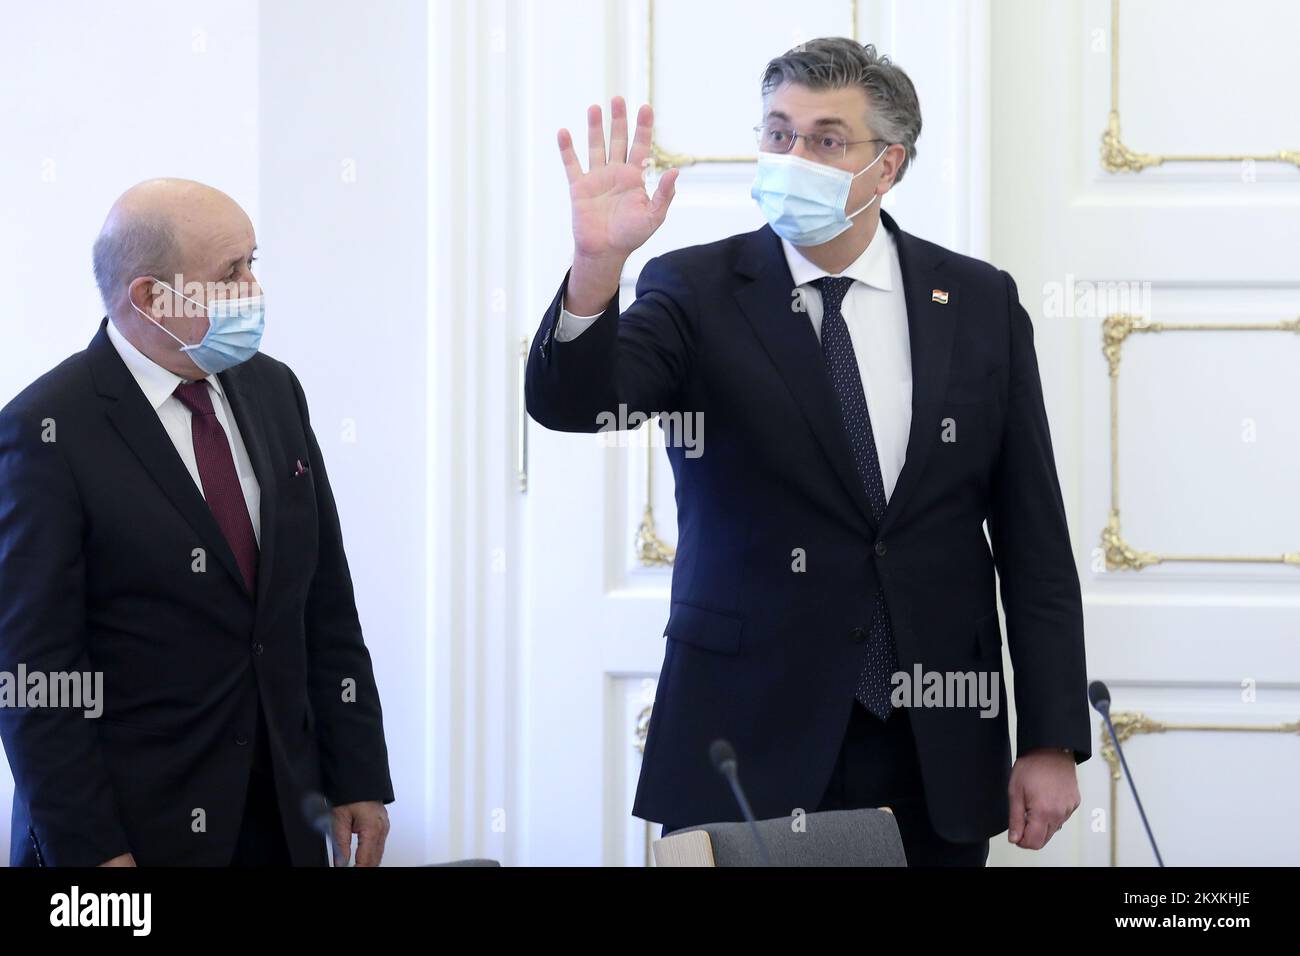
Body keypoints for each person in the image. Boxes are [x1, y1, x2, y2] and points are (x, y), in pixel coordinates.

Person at [526, 38, 1090, 865]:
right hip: (748, 732)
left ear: (887, 164)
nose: (795, 155)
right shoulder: (694, 288)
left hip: (932, 740)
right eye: (779, 133)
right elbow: (578, 406)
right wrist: (596, 271)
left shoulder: (977, 300)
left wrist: (1051, 737)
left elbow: (1034, 538)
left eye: (827, 139)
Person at [0, 178, 393, 866]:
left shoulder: (273, 389)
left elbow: (324, 598)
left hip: (283, 815)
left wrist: (355, 767)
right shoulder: (45, 429)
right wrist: (91, 853)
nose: (254, 289)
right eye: (231, 272)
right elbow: (34, 674)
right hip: (133, 830)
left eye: (253, 262)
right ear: (152, 299)